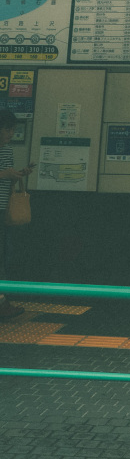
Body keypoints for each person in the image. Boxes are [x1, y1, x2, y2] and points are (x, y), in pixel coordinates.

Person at [0, 110, 34, 321]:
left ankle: (3, 301)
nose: (11, 133)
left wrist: (18, 175)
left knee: (4, 257)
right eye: (8, 129)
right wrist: (5, 173)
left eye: (13, 129)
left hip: (4, 209)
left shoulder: (8, 152)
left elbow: (8, 182)